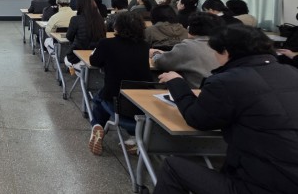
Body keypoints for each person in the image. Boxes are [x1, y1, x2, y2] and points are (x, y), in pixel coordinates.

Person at [154, 25, 298, 194]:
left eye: (215, 52)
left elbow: (196, 119)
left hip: (262, 186)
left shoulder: (227, 81)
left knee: (172, 167)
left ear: (226, 52)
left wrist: (177, 82)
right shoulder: (292, 72)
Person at [88, 12, 152, 156]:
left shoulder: (106, 43)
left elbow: (94, 61)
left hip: (117, 102)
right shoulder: (144, 46)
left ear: (117, 27)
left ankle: (97, 125)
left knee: (99, 98)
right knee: (104, 96)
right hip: (142, 104)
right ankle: (134, 137)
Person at [150, 12, 224, 88]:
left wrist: (155, 53)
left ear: (191, 28)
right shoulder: (223, 45)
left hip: (197, 91)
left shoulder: (187, 46)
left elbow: (160, 62)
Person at [64, 0, 105, 68]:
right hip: (97, 56)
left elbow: (69, 37)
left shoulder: (75, 19)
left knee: (66, 59)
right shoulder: (101, 20)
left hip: (77, 57)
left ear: (79, 6)